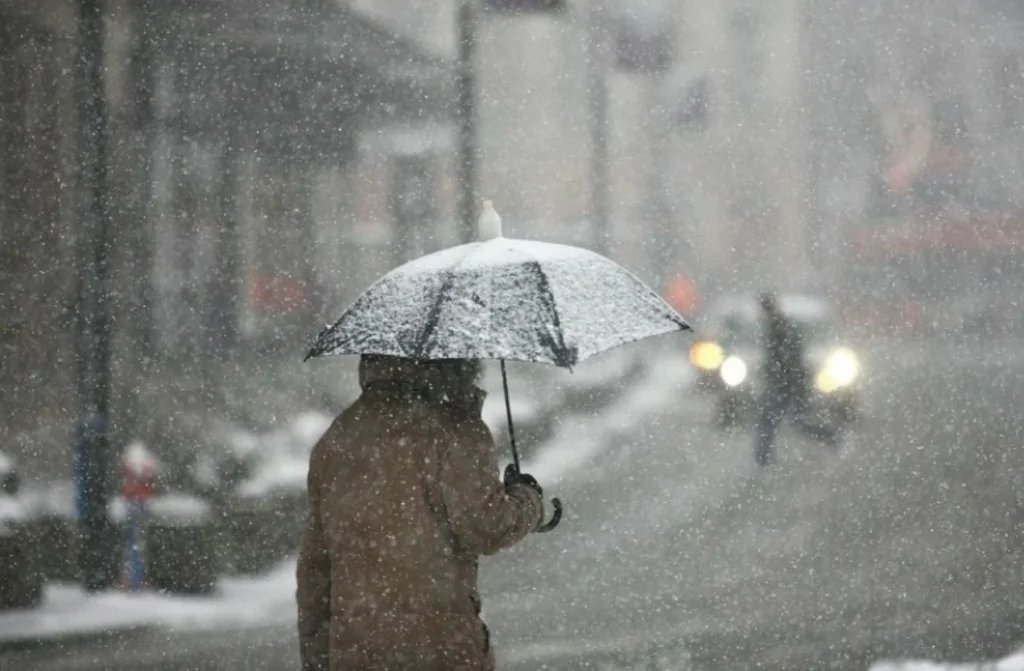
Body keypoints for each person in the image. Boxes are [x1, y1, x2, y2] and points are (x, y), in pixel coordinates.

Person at [297, 355, 545, 671]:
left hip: (356, 650)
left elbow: (315, 569)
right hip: (439, 647)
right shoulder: (455, 429)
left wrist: (318, 658)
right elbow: (487, 527)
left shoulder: (337, 438)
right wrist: (528, 499)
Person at [754, 292, 838, 466]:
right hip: (788, 384)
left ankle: (763, 460)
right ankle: (763, 459)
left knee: (776, 421)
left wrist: (780, 376)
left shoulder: (779, 328)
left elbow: (788, 358)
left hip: (788, 384)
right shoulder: (777, 327)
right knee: (785, 421)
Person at [121, 441, 157, 591]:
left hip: (134, 504)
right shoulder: (146, 465)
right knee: (137, 544)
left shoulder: (133, 465)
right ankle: (136, 580)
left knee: (133, 544)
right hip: (140, 504)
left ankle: (134, 580)